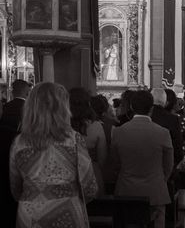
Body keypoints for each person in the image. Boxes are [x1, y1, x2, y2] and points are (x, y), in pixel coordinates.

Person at [10, 82, 97, 227]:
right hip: (67, 212)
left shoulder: (19, 142)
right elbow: (89, 187)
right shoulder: (73, 140)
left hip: (31, 214)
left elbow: (15, 188)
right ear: (62, 108)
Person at [111, 90, 174, 228]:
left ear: (132, 108)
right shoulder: (163, 133)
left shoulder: (119, 132)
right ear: (151, 108)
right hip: (155, 191)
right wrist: (159, 180)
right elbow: (169, 165)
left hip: (126, 191)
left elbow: (115, 164)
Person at [70, 87, 108, 195]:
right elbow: (102, 159)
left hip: (68, 175)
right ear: (88, 104)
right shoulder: (96, 126)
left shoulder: (61, 126)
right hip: (92, 173)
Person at [151, 88, 183, 166]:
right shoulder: (173, 119)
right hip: (166, 161)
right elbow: (177, 144)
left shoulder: (146, 115)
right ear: (165, 102)